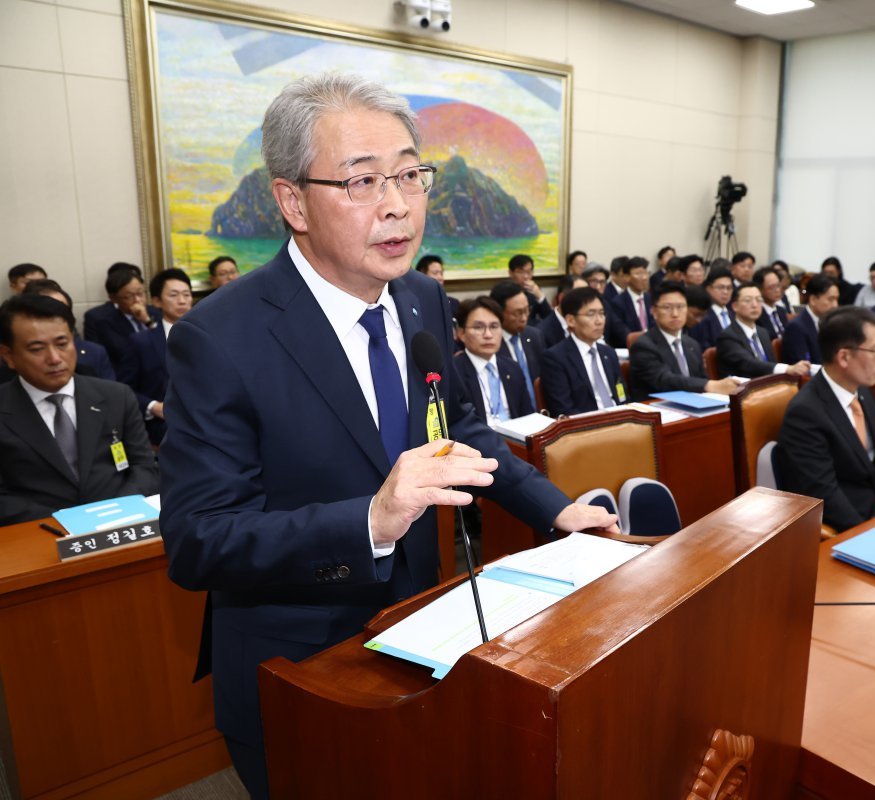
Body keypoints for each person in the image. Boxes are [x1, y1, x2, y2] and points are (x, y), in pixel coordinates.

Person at [157, 73, 615, 799]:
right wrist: (369, 520)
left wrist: (555, 510)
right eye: (363, 181)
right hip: (301, 666)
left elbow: (458, 428)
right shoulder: (220, 338)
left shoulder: (422, 298)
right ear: (291, 201)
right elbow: (197, 539)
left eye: (409, 174)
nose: (400, 205)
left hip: (417, 632)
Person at [0, 294, 158, 525]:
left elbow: (145, 468)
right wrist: (71, 521)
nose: (54, 358)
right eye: (36, 349)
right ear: (8, 356)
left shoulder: (116, 396)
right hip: (39, 533)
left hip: (120, 523)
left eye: (62, 344)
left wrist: (116, 512)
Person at [777, 306, 875, 532]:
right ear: (844, 356)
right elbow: (824, 494)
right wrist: (870, 534)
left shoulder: (862, 393)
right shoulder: (805, 413)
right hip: (850, 529)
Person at [117, 268, 193, 445]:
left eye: (186, 294)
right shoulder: (141, 342)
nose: (182, 301)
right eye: (174, 295)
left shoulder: (209, 336)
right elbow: (124, 388)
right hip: (164, 425)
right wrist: (152, 406)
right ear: (157, 301)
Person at [628, 281, 739, 401]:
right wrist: (710, 385)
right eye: (667, 307)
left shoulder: (692, 344)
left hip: (695, 406)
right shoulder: (642, 346)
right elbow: (664, 380)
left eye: (680, 307)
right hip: (660, 410)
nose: (675, 314)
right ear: (654, 312)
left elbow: (700, 379)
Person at [541, 287, 626, 416]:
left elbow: (622, 395)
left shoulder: (609, 353)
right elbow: (563, 410)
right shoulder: (555, 358)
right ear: (570, 320)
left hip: (621, 422)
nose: (599, 321)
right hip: (586, 428)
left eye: (602, 313)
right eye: (591, 314)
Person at [452, 297, 533, 422]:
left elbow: (527, 416)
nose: (488, 335)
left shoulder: (512, 368)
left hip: (516, 439)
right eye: (478, 327)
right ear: (461, 334)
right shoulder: (454, 373)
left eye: (494, 327)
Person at [19, 279, 116, 381]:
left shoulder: (95, 352)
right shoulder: (15, 357)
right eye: (36, 349)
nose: (54, 359)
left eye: (62, 311)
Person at [716, 284, 811, 380]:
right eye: (748, 300)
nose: (754, 305)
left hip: (770, 386)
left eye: (758, 300)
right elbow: (748, 364)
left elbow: (770, 364)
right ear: (735, 306)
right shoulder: (727, 336)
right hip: (744, 389)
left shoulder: (763, 333)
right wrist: (787, 368)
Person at [82, 266, 163, 367]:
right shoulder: (102, 321)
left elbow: (168, 345)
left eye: (140, 293)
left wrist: (147, 321)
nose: (138, 300)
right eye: (129, 296)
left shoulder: (156, 313)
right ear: (113, 298)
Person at [489, 279, 547, 410]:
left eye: (527, 310)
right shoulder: (490, 343)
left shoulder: (535, 336)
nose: (524, 317)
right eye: (518, 313)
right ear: (499, 313)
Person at [781, 273, 838, 365]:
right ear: (813, 300)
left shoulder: (829, 323)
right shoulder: (796, 327)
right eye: (831, 299)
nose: (835, 305)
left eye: (836, 299)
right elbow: (802, 367)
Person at [689, 266, 734, 351]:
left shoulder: (735, 315)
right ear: (709, 289)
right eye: (721, 287)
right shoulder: (701, 317)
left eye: (729, 288)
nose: (725, 292)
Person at [536, 274, 585, 348]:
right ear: (562, 298)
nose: (587, 303)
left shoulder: (587, 324)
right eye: (580, 296)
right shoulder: (541, 333)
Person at [611, 256, 653, 335]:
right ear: (627, 277)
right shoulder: (618, 302)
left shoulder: (651, 299)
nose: (644, 278)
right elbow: (621, 332)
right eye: (639, 273)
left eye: (645, 273)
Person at [507, 254, 551, 321]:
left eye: (529, 272)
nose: (526, 276)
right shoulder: (503, 291)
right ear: (510, 273)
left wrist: (540, 296)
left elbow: (548, 318)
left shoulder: (534, 291)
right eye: (520, 272)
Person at [754, 265, 788, 339]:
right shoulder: (756, 312)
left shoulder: (781, 310)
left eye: (778, 285)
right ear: (760, 289)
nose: (777, 290)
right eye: (771, 287)